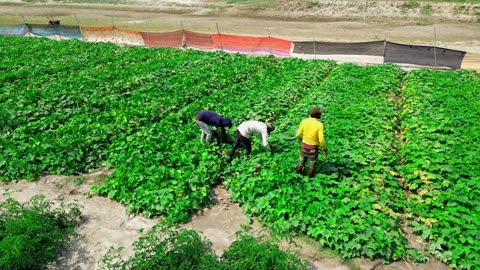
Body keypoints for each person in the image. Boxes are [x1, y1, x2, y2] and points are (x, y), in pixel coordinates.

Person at [295, 106, 328, 178]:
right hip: (313, 148)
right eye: (320, 114)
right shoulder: (319, 125)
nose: (321, 115)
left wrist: (302, 140)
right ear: (316, 115)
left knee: (301, 161)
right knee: (312, 165)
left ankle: (296, 176)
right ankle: (310, 179)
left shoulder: (304, 121)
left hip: (304, 146)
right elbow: (321, 140)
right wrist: (324, 149)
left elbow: (297, 135)